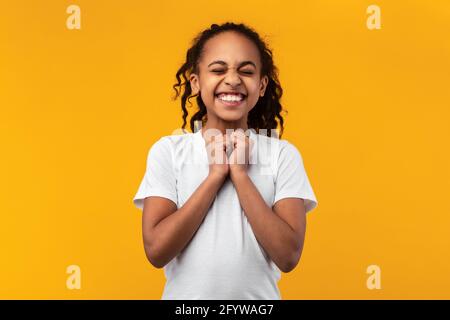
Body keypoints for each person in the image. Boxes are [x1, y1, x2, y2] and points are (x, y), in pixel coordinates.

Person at [133, 22, 318, 300]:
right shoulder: (169, 151)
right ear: (195, 83)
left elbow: (288, 255)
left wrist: (241, 176)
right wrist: (215, 175)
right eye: (218, 70)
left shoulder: (282, 155)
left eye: (246, 71)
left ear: (262, 85)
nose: (233, 79)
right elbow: (157, 251)